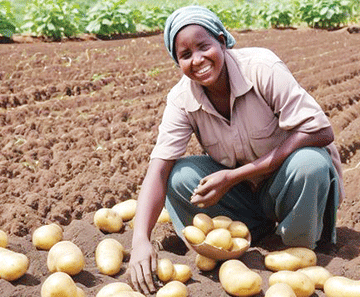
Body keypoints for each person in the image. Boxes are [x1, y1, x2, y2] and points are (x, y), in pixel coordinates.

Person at [129, 5, 345, 294]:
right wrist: (140, 240)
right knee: (179, 176)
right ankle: (253, 233)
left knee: (309, 163)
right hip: (247, 193)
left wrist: (235, 176)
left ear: (222, 40)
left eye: (203, 46)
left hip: (291, 185)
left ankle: (298, 243)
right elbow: (158, 170)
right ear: (177, 61)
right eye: (185, 55)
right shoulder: (181, 99)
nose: (198, 60)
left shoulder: (261, 67)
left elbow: (321, 130)